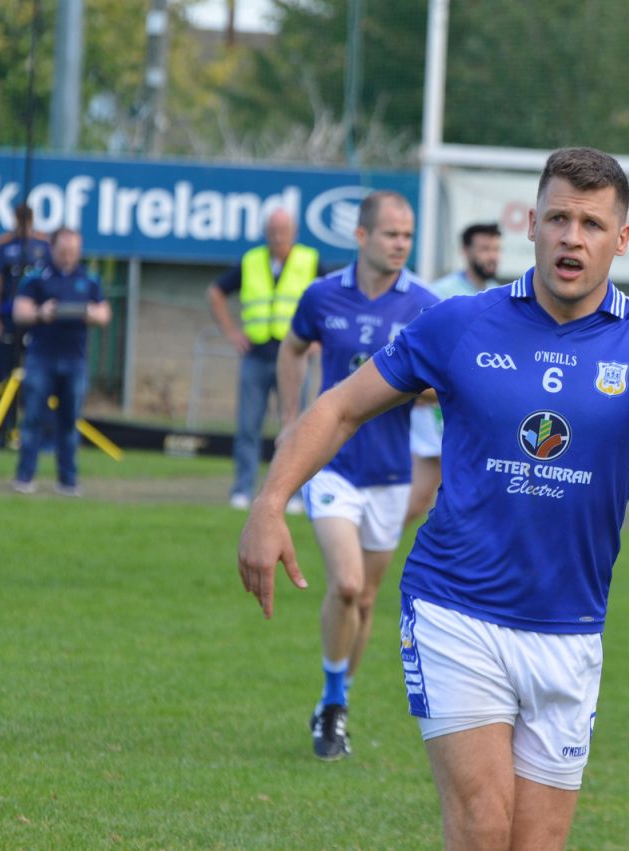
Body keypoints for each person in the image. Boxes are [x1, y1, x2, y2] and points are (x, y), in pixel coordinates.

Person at [238, 147, 629, 848]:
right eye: (558, 217)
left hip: (570, 629)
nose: (571, 236)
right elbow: (339, 407)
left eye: (591, 223)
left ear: (621, 239)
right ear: (531, 223)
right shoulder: (460, 323)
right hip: (456, 609)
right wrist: (270, 500)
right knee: (482, 824)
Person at [272, 190, 438, 761]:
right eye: (391, 233)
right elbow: (292, 350)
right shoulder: (321, 296)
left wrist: (421, 391)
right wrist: (292, 419)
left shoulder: (424, 304)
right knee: (344, 584)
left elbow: (443, 384)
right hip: (332, 467)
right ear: (362, 236)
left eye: (408, 235)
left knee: (365, 601)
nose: (401, 244)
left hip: (391, 474)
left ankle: (334, 701)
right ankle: (335, 702)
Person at [207, 208, 319, 512]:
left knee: (296, 428)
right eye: (273, 231)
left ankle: (294, 494)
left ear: (294, 233)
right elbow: (216, 292)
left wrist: (318, 341)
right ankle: (242, 489)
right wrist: (231, 332)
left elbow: (331, 300)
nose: (278, 237)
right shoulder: (251, 261)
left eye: (283, 231)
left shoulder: (310, 261)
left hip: (293, 357)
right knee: (248, 427)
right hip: (256, 356)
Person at [405, 222, 503, 526]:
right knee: (423, 495)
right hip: (436, 408)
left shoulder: (501, 297)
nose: (492, 256)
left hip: (475, 414)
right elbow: (418, 352)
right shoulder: (441, 295)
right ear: (466, 251)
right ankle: (370, 546)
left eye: (496, 249)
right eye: (485, 249)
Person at [11, 228, 111, 496]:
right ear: (52, 248)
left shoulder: (88, 279)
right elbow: (19, 312)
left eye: (74, 252)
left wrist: (89, 313)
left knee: (69, 422)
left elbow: (105, 314)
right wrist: (41, 313)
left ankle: (68, 481)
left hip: (74, 360)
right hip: (41, 358)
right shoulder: (36, 277)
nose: (68, 257)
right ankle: (24, 477)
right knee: (33, 418)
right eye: (64, 251)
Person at [0, 203, 51, 448]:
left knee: (40, 377)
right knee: (1, 376)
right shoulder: (3, 245)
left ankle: (39, 433)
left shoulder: (44, 246)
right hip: (7, 319)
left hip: (35, 322)